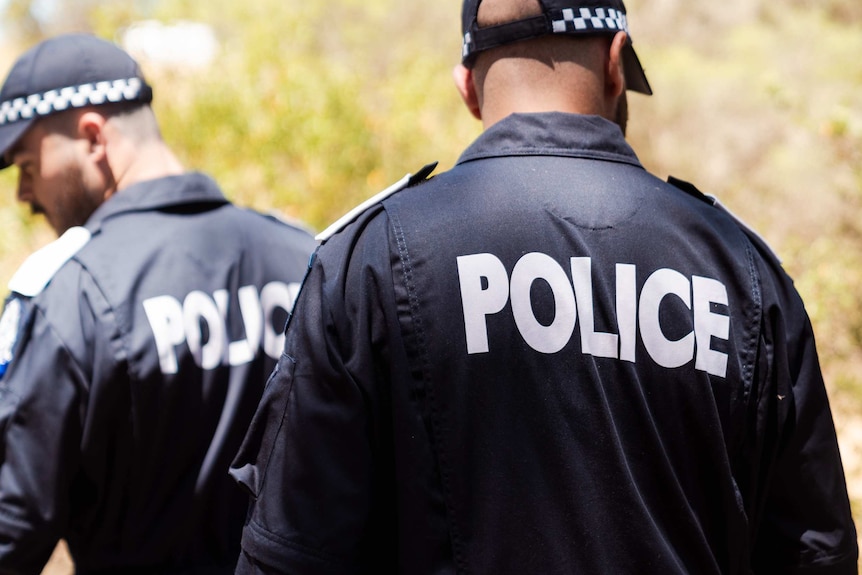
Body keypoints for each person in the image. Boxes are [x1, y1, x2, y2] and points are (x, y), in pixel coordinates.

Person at [230, 0, 858, 573]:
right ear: (616, 63)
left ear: (467, 87)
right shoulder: (742, 269)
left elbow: (290, 554)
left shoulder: (367, 260)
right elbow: (814, 554)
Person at [0, 34, 316, 574]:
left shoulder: (69, 294)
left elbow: (12, 526)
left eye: (28, 166)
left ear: (93, 137)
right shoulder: (307, 254)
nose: (25, 196)